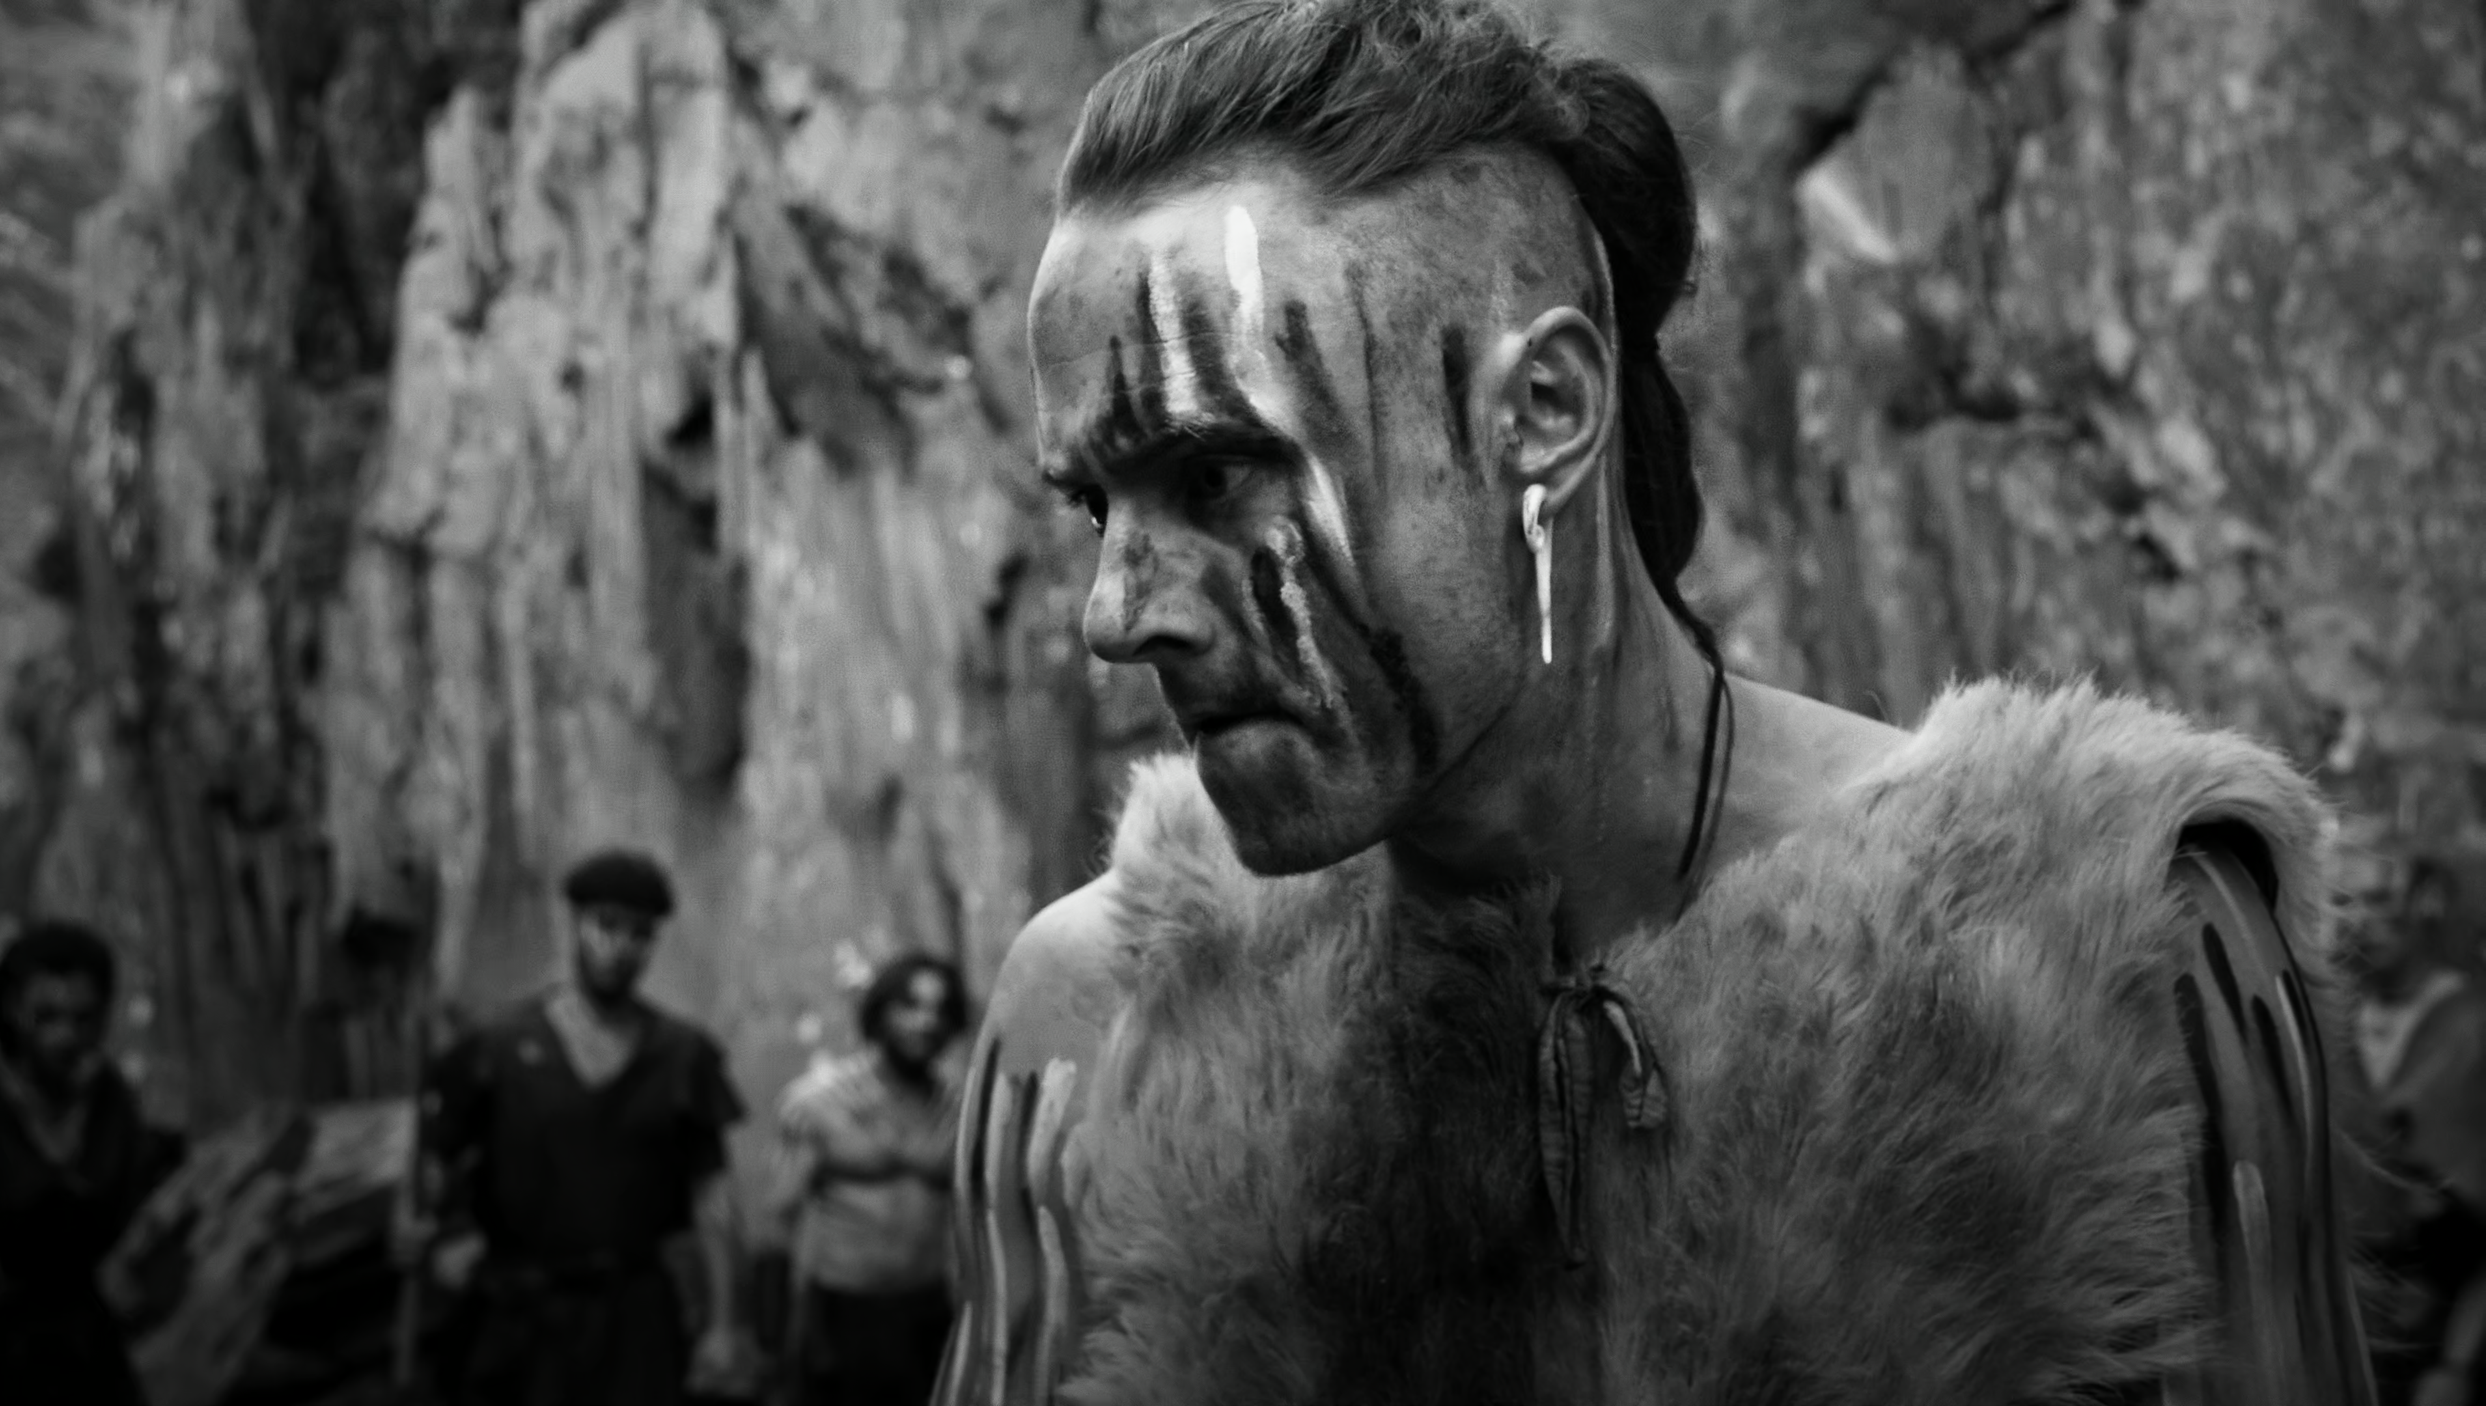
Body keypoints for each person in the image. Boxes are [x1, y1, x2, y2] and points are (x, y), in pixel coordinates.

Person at [931, 1, 2381, 1402]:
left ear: (1545, 411)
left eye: (1213, 472)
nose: (1114, 612)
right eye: (1093, 507)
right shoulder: (1109, 1021)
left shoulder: (2101, 945)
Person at [404, 849, 757, 1406]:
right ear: (577, 924)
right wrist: (429, 1228)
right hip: (519, 1311)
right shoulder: (497, 1047)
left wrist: (723, 1322)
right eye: (606, 926)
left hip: (634, 1314)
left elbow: (711, 1193)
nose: (619, 947)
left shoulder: (682, 1056)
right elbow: (435, 1154)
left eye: (639, 934)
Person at [0, 920, 184, 1406]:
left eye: (83, 1018)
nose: (65, 1037)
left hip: (94, 1344)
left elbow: (130, 1203)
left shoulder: (106, 1097)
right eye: (47, 1017)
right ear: (12, 1012)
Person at [776, 953, 969, 1406]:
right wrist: (791, 1329)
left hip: (929, 1315)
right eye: (911, 1006)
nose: (926, 1022)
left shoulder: (961, 1110)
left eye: (939, 1010)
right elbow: (780, 1221)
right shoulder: (819, 1103)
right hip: (843, 1315)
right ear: (880, 1011)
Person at [2355, 858, 2486, 1405]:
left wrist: (2458, 1364)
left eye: (2381, 901)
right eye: (2345, 902)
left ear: (2426, 907)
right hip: (2342, 1337)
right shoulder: (2327, 1019)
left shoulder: (2472, 1026)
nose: (2361, 919)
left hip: (2443, 1332)